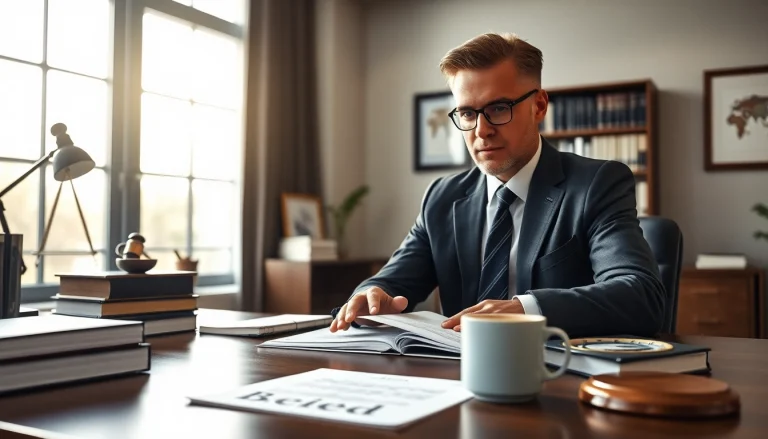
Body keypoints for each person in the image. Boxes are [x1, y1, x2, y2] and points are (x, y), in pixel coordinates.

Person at [329, 33, 665, 338]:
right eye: (467, 113)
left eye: (499, 108)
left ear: (539, 106)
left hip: (558, 378)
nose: (481, 130)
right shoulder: (443, 198)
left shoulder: (596, 184)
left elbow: (640, 295)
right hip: (459, 379)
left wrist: (524, 309)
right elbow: (390, 283)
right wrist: (370, 295)